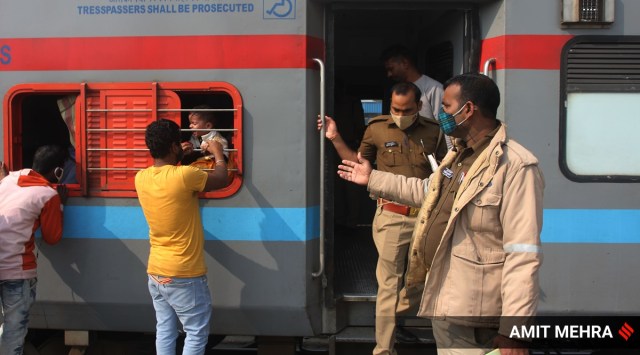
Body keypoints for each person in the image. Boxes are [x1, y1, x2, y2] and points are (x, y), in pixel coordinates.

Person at [336, 73, 544, 355]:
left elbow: (522, 254)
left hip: (476, 314)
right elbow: (427, 190)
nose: (440, 114)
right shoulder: (460, 155)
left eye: (446, 107)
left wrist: (515, 332)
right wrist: (372, 178)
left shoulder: (516, 167)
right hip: (450, 304)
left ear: (467, 110)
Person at [318, 82, 448, 355]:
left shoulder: (433, 131)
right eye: (395, 108)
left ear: (419, 107)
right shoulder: (376, 128)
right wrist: (334, 137)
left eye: (407, 109)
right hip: (391, 216)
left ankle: (396, 309)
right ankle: (384, 350)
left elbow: (446, 171)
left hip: (427, 217)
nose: (401, 114)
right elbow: (358, 163)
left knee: (426, 279)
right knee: (388, 284)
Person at [135, 119, 228, 355]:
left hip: (156, 270)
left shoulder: (141, 178)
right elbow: (222, 179)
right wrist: (218, 153)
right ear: (175, 146)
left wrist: (180, 157)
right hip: (184, 272)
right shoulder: (186, 176)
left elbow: (171, 178)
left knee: (165, 329)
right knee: (195, 332)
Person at [0, 145, 68, 355]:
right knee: (13, 331)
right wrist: (61, 204)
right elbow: (52, 237)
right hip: (16, 272)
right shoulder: (47, 195)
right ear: (58, 171)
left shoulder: (9, 179)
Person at [381, 45, 443, 121]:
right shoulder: (395, 91)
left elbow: (443, 126)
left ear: (405, 63)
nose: (389, 74)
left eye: (391, 69)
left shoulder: (434, 89)